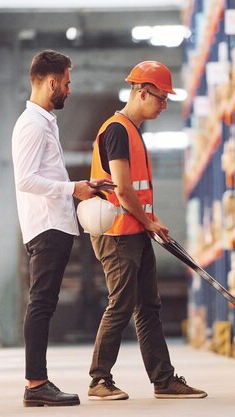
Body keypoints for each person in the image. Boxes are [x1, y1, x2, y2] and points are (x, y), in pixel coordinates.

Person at [87, 61, 207, 400]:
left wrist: (148, 224)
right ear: (142, 92)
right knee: (122, 304)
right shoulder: (117, 130)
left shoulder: (132, 131)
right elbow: (123, 190)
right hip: (118, 234)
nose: (164, 105)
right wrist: (150, 221)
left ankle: (164, 380)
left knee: (148, 307)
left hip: (135, 231)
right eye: (161, 98)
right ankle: (99, 380)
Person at [11, 49, 110, 407]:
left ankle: (37, 382)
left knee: (45, 304)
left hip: (56, 223)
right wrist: (73, 189)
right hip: (47, 226)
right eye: (66, 83)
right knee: (41, 304)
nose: (69, 89)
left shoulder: (43, 122)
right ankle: (36, 384)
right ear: (52, 82)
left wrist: (84, 186)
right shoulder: (32, 124)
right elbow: (25, 180)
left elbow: (46, 175)